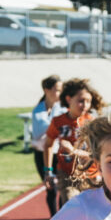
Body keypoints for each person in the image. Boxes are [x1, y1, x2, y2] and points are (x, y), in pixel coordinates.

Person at [43, 77, 99, 213]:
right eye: (81, 101)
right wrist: (48, 171)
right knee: (72, 206)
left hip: (90, 175)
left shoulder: (93, 123)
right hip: (66, 173)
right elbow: (48, 145)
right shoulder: (58, 122)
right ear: (68, 99)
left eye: (88, 102)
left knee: (92, 213)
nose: (85, 105)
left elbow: (99, 150)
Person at [26, 74, 63, 207]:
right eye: (57, 90)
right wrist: (57, 126)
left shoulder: (63, 108)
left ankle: (63, 219)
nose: (60, 93)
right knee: (51, 188)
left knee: (63, 188)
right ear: (47, 90)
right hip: (41, 154)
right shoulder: (38, 111)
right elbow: (40, 134)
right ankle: (53, 218)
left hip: (59, 153)